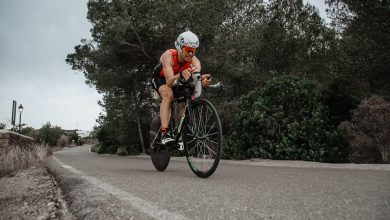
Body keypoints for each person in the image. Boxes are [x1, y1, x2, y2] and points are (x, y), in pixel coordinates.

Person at [151, 30, 211, 145]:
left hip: (178, 78)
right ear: (179, 47)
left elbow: (196, 75)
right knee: (168, 94)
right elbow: (169, 82)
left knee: (187, 96)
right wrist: (180, 74)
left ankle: (178, 132)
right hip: (161, 78)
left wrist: (203, 80)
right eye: (188, 50)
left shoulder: (195, 61)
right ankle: (164, 133)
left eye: (193, 51)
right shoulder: (168, 56)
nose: (190, 54)